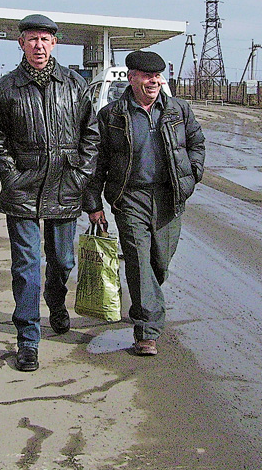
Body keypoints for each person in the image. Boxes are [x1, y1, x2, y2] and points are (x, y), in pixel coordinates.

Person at [0, 14, 99, 372]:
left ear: (55, 44)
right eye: (32, 40)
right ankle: (28, 339)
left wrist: (79, 176)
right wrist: (11, 178)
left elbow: (91, 137)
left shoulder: (75, 85)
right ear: (21, 44)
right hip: (23, 192)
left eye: (45, 40)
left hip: (65, 187)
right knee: (28, 267)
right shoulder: (7, 88)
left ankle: (56, 300)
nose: (39, 47)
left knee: (62, 261)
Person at [84, 50, 205, 356]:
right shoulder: (112, 115)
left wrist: (191, 176)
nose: (154, 81)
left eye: (157, 76)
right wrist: (93, 203)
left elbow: (197, 144)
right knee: (138, 262)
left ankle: (147, 304)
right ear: (132, 77)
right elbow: (98, 162)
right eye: (147, 76)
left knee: (159, 263)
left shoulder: (179, 110)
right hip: (131, 197)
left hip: (169, 197)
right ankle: (147, 331)